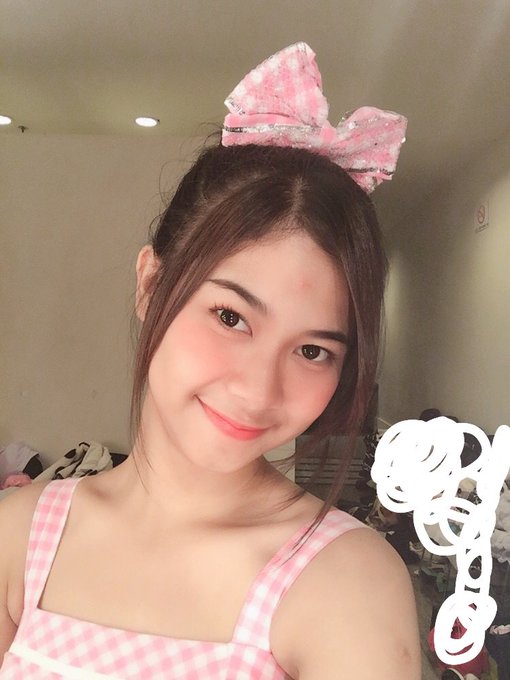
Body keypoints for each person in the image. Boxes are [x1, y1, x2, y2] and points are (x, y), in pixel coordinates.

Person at [0, 43, 420, 678]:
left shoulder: (344, 580)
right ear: (151, 285)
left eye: (312, 350)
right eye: (230, 317)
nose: (257, 390)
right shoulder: (18, 537)